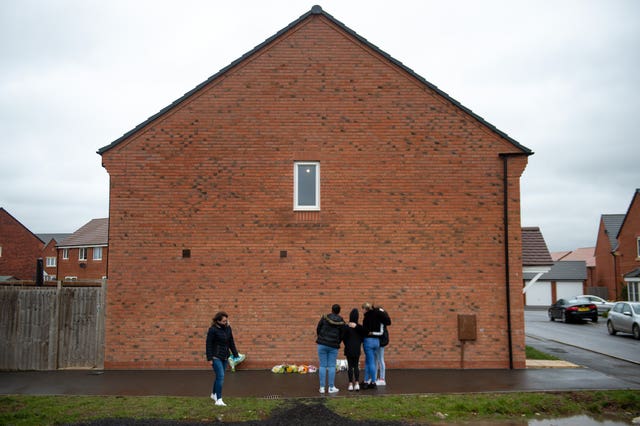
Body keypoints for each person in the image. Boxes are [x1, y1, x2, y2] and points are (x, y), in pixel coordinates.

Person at [206, 311, 240, 407]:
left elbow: (231, 342)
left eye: (226, 320)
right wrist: (209, 358)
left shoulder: (228, 328)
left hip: (225, 356)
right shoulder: (212, 330)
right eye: (224, 321)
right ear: (218, 321)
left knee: (219, 376)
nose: (226, 322)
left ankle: (213, 394)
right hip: (215, 357)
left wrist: (235, 354)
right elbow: (208, 344)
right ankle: (219, 400)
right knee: (221, 377)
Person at [316, 304, 345, 394]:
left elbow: (318, 328)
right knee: (332, 366)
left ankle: (322, 388)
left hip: (322, 344)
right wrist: (337, 341)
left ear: (332, 310)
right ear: (339, 311)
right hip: (333, 346)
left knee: (322, 365)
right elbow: (342, 334)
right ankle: (331, 387)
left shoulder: (325, 317)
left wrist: (321, 337)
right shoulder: (341, 321)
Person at [361, 302, 384, 389]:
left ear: (366, 309)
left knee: (371, 362)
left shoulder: (366, 318)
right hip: (377, 341)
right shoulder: (377, 317)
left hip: (368, 341)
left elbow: (365, 330)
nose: (362, 311)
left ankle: (373, 381)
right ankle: (366, 380)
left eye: (362, 309)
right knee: (368, 361)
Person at [343, 308, 366, 391]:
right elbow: (364, 335)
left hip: (348, 348)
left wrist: (347, 344)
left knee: (350, 366)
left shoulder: (346, 327)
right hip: (357, 348)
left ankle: (350, 384)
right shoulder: (359, 328)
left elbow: (343, 338)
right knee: (356, 366)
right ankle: (356, 383)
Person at [374, 305, 391, 386]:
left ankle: (382, 379)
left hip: (381, 342)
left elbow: (380, 333)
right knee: (377, 360)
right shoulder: (382, 320)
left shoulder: (381, 321)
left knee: (380, 359)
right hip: (380, 341)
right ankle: (377, 378)